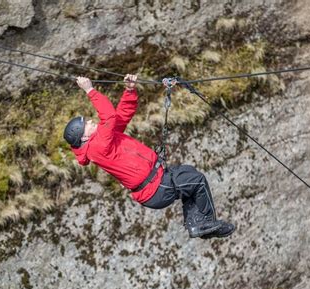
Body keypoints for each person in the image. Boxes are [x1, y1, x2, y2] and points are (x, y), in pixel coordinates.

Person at [64, 74, 235, 239]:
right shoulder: (96, 148)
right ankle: (205, 223)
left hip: (157, 182)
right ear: (83, 137)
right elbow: (108, 115)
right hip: (155, 189)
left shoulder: (104, 139)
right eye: (86, 124)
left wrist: (130, 91)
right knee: (196, 180)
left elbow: (120, 116)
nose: (91, 122)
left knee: (188, 173)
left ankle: (196, 223)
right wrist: (90, 90)